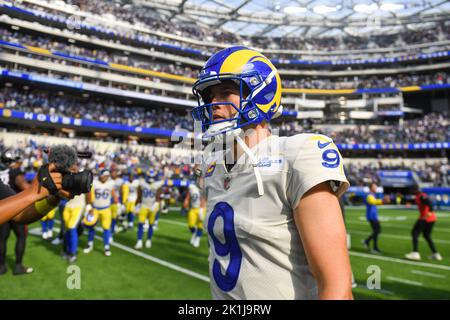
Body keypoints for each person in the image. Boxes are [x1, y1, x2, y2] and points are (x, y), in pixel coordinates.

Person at [191, 46, 352, 299]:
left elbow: (337, 288)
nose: (213, 103)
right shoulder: (213, 167)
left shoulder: (297, 154)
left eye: (226, 92)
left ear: (260, 93)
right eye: (210, 95)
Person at [83, 170, 118, 257]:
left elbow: (114, 195)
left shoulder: (110, 183)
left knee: (106, 228)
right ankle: (90, 244)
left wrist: (118, 204)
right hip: (95, 209)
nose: (105, 177)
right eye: (103, 175)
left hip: (106, 209)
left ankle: (106, 247)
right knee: (91, 226)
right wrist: (89, 205)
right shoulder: (94, 182)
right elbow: (89, 194)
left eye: (106, 176)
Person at [405, 186, 443, 261]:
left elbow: (431, 205)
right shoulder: (419, 196)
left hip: (426, 218)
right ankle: (436, 254)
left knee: (415, 232)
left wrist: (427, 215)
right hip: (431, 218)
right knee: (426, 235)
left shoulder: (422, 196)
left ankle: (415, 253)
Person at [134, 170, 163, 249]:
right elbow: (139, 196)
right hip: (144, 205)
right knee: (140, 224)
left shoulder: (158, 184)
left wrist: (157, 203)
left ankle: (148, 240)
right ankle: (139, 241)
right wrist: (136, 205)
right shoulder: (142, 183)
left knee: (151, 224)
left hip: (153, 206)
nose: (151, 178)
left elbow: (159, 196)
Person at [363, 182, 389, 253]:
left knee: (377, 231)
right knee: (377, 231)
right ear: (371, 188)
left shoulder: (373, 195)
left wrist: (382, 201)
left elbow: (374, 202)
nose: (376, 188)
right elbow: (372, 202)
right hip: (371, 216)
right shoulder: (369, 195)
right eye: (375, 186)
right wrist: (382, 201)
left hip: (374, 216)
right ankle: (370, 244)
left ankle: (371, 244)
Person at [182, 180, 205, 248]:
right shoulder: (192, 188)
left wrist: (201, 209)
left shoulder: (205, 188)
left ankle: (197, 238)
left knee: (200, 225)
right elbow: (187, 197)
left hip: (202, 208)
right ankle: (194, 233)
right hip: (193, 208)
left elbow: (205, 199)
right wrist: (185, 203)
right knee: (191, 225)